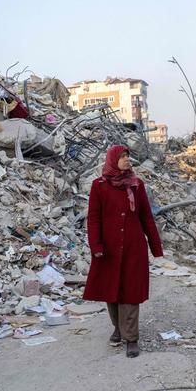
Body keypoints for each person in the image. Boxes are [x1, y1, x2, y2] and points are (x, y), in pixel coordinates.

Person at [83, 145, 163, 358]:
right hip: (108, 247)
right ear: (112, 160)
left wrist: (155, 246)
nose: (127, 160)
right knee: (112, 291)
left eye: (128, 156)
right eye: (123, 157)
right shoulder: (99, 186)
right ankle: (118, 327)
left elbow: (146, 216)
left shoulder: (137, 185)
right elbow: (94, 218)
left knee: (130, 292)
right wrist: (96, 245)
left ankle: (131, 338)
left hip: (133, 247)